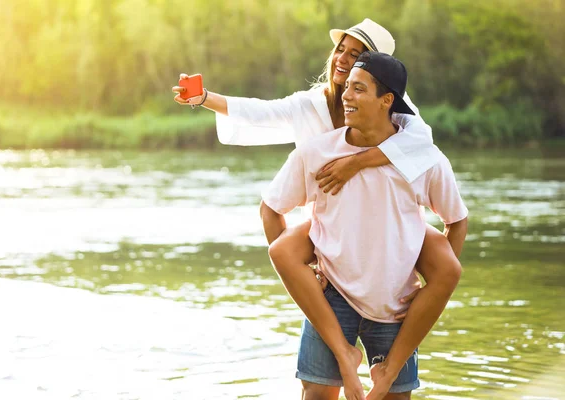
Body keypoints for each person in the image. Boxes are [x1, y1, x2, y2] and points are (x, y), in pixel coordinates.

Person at [172, 19, 463, 400]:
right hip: (332, 222)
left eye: (356, 54)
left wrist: (357, 162)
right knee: (286, 251)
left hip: (385, 233)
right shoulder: (312, 106)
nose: (343, 59)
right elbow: (260, 112)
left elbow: (424, 149)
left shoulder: (406, 122)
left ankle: (386, 361)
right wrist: (204, 97)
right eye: (340, 49)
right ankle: (339, 341)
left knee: (444, 265)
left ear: (385, 93)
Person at [260, 51, 469, 399]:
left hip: (394, 302)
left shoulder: (425, 160)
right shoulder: (317, 153)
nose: (345, 95)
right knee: (316, 394)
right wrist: (310, 277)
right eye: (347, 88)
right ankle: (345, 354)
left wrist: (427, 292)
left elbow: (456, 221)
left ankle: (386, 371)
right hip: (332, 297)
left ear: (386, 100)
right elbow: (270, 209)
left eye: (358, 89)